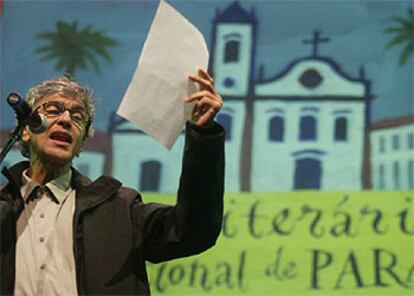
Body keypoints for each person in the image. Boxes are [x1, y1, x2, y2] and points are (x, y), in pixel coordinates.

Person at [0, 69, 224, 295]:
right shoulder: (3, 207)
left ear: (82, 142)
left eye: (78, 117)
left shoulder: (120, 209)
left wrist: (203, 136)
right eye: (53, 110)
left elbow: (193, 231)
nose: (66, 119)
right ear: (27, 130)